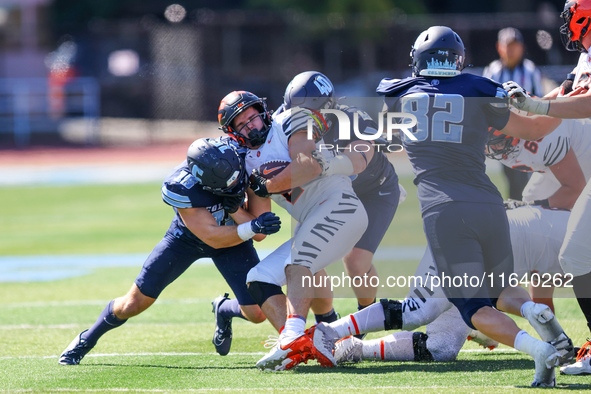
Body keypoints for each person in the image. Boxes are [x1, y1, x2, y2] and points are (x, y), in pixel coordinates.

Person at [322, 25, 569, 387]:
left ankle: (538, 350)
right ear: (458, 59)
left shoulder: (398, 93)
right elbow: (534, 130)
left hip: (445, 211)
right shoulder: (479, 88)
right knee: (499, 292)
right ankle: (534, 310)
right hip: (489, 203)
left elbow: (382, 132)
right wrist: (567, 95)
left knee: (472, 309)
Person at [58, 137, 282, 365]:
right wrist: (251, 225)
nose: (234, 185)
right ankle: (86, 339)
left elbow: (260, 235)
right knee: (133, 304)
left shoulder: (246, 160)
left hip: (235, 240)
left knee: (256, 313)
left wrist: (237, 211)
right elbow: (212, 236)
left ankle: (224, 309)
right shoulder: (182, 186)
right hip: (186, 240)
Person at [217, 90, 368, 371]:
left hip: (340, 207)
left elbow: (308, 165)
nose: (250, 125)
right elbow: (261, 225)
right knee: (258, 278)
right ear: (233, 132)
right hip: (313, 221)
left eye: (252, 117)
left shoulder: (290, 120)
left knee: (300, 261)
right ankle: (302, 347)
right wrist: (232, 205)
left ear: (262, 112)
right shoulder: (247, 162)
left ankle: (292, 336)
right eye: (241, 123)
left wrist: (267, 185)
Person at [332, 204, 571, 364]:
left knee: (441, 348)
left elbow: (539, 303)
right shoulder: (575, 239)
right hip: (472, 237)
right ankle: (327, 333)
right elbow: (514, 295)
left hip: (491, 240)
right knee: (418, 310)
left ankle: (353, 348)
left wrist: (556, 339)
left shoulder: (563, 237)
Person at [502, 0, 591, 375]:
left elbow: (585, 104)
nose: (567, 23)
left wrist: (538, 108)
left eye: (572, 14)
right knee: (573, 255)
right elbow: (559, 98)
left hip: (579, 156)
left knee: (574, 253)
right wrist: (518, 107)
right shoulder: (585, 59)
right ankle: (561, 342)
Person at [280, 71, 404, 318]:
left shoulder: (351, 118)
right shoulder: (284, 123)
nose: (299, 120)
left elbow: (359, 160)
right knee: (307, 259)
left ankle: (365, 320)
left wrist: (328, 164)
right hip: (325, 194)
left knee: (356, 261)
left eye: (306, 115)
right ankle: (327, 320)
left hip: (372, 191)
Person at [483, 27, 546, 201]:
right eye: (507, 45)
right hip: (504, 134)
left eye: (515, 45)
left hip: (527, 132)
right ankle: (518, 212)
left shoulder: (530, 70)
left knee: (533, 178)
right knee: (513, 180)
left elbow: (538, 101)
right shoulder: (493, 71)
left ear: (521, 47)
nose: (511, 50)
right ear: (499, 47)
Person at [486, 124, 587, 210]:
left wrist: (533, 205)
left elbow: (577, 190)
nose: (491, 150)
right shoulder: (500, 140)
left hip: (584, 162)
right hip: (554, 166)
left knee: (579, 221)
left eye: (500, 144)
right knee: (531, 198)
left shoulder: (546, 140)